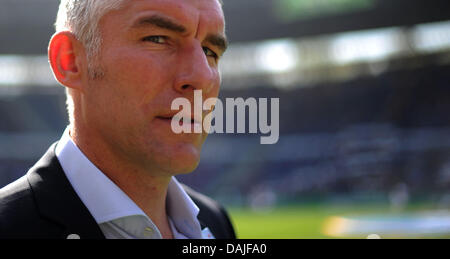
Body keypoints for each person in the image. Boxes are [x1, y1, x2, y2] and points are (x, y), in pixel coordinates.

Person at [0, 0, 235, 239]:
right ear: (70, 60)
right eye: (158, 39)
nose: (203, 77)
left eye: (210, 52)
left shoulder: (216, 223)